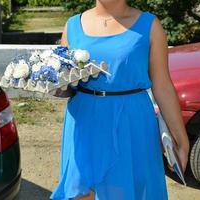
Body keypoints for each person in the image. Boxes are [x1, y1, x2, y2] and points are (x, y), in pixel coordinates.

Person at [50, 0, 190, 199]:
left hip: (131, 122)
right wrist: (55, 87)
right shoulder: (72, 25)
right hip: (84, 121)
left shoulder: (150, 25)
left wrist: (181, 140)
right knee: (79, 192)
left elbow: (163, 86)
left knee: (123, 190)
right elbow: (66, 83)